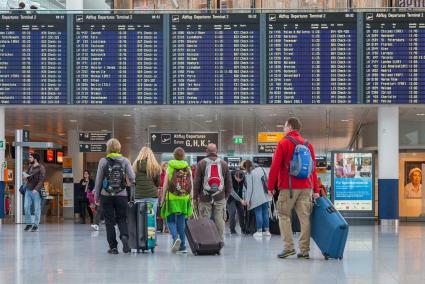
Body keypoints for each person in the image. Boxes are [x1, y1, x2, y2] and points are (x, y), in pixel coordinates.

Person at [268, 117, 320, 260]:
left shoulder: (283, 143)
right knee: (305, 219)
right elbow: (313, 169)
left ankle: (288, 248)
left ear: (290, 127)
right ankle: (304, 251)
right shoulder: (308, 145)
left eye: (284, 126)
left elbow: (275, 167)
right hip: (306, 187)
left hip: (288, 187)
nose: (283, 129)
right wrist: (316, 190)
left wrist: (270, 186)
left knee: (284, 215)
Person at [94, 138, 135, 255]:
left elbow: (98, 180)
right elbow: (132, 178)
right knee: (122, 219)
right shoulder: (125, 161)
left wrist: (96, 196)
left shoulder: (103, 161)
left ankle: (113, 247)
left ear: (108, 148)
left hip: (106, 195)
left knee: (109, 221)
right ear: (119, 148)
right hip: (121, 195)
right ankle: (124, 236)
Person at [193, 143, 232, 242]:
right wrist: (225, 196)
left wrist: (195, 196)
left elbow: (196, 182)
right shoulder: (224, 164)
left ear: (207, 151)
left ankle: (206, 240)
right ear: (216, 151)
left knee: (205, 218)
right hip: (220, 196)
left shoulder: (201, 163)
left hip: (205, 197)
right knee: (219, 219)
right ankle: (220, 240)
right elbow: (228, 183)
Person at [160, 147, 193, 254]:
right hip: (184, 198)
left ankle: (175, 238)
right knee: (181, 222)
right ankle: (182, 246)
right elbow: (191, 184)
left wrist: (162, 198)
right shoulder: (187, 167)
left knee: (170, 220)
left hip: (172, 197)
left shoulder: (170, 167)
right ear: (183, 156)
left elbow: (165, 184)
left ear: (174, 155)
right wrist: (191, 198)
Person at [132, 147, 161, 227]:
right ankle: (150, 239)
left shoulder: (135, 166)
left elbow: (133, 181)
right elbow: (158, 183)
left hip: (139, 197)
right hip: (151, 196)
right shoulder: (154, 167)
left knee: (140, 220)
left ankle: (141, 238)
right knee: (151, 220)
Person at [243, 160, 271, 238]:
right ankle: (267, 231)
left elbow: (249, 189)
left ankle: (259, 231)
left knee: (258, 212)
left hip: (256, 197)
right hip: (265, 195)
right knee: (265, 213)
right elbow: (268, 179)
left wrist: (247, 200)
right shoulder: (262, 169)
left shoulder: (250, 174)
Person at [23, 152, 46, 232]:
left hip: (36, 191)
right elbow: (28, 176)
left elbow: (41, 180)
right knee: (26, 207)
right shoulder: (30, 167)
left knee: (36, 209)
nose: (29, 159)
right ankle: (29, 224)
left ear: (35, 159)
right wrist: (25, 177)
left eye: (30, 157)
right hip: (28, 190)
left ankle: (35, 225)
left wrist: (36, 189)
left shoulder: (41, 168)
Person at [228, 170, 246, 235]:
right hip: (230, 197)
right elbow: (231, 191)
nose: (239, 181)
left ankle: (243, 229)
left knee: (241, 212)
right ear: (234, 176)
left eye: (240, 180)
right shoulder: (229, 177)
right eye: (237, 179)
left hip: (240, 196)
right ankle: (232, 230)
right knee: (232, 212)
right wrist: (241, 200)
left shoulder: (243, 177)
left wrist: (246, 198)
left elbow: (247, 187)